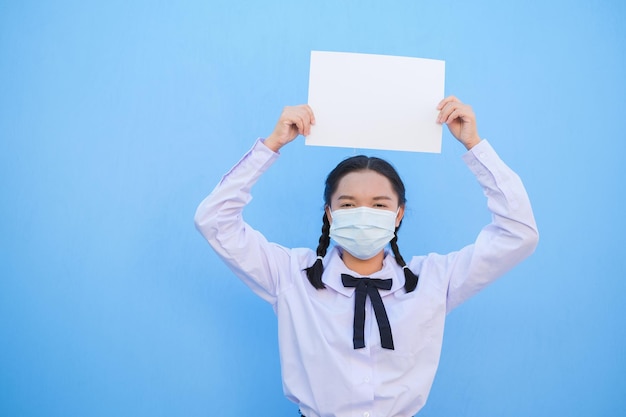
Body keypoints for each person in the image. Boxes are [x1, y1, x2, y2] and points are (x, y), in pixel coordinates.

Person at [194, 96, 539, 417]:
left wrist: (474, 145)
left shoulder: (434, 280)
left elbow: (517, 234)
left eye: (378, 205)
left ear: (398, 214)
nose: (363, 213)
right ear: (330, 214)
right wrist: (271, 146)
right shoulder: (289, 275)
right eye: (347, 204)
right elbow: (214, 221)